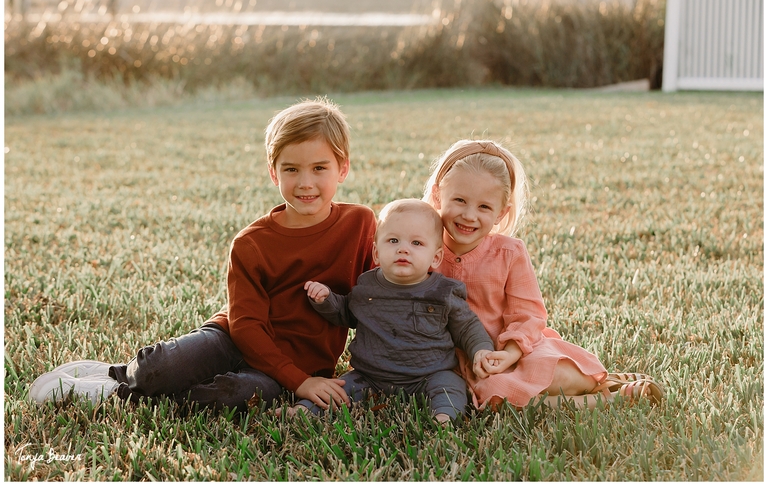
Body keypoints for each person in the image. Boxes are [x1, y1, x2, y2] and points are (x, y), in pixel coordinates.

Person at [28, 97, 377, 414]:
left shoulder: (360, 224)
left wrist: (302, 380)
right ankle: (115, 375)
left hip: (301, 364)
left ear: (342, 169)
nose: (305, 183)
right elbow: (246, 326)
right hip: (233, 340)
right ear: (274, 173)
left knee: (232, 396)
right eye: (291, 169)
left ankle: (123, 395)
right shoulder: (251, 243)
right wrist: (298, 382)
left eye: (319, 168)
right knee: (161, 367)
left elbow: (379, 298)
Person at [423, 139, 664, 410]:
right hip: (463, 363)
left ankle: (599, 382)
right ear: (437, 196)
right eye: (459, 200)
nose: (469, 215)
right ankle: (607, 398)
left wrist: (509, 354)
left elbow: (527, 314)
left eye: (484, 207)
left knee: (554, 372)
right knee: (497, 396)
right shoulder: (422, 248)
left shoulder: (509, 252)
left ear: (502, 213)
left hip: (515, 350)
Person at [294, 198, 496, 422]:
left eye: (417, 243)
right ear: (376, 253)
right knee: (338, 389)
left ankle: (444, 417)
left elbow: (466, 327)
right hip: (370, 375)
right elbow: (347, 313)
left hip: (429, 374)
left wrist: (481, 349)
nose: (403, 249)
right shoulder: (367, 285)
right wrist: (326, 300)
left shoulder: (443, 292)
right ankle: (304, 410)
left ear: (436, 257)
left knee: (450, 387)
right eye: (393, 240)